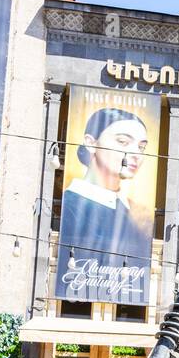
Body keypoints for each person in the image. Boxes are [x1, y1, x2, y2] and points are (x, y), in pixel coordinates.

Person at [55, 107, 151, 298]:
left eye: (141, 147)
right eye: (123, 142)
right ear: (91, 143)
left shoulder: (138, 215)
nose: (135, 154)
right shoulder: (71, 205)